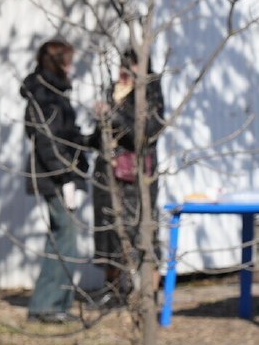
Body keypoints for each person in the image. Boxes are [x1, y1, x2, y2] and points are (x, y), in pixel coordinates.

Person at [19, 37, 91, 323]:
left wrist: (92, 140)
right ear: (57, 62)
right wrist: (65, 177)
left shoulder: (55, 92)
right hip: (56, 177)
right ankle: (47, 307)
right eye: (68, 61)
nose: (72, 66)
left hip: (62, 175)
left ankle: (55, 305)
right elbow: (47, 141)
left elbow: (67, 135)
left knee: (63, 240)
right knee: (64, 241)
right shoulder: (44, 95)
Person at [97, 49, 165, 306]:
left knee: (144, 231)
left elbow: (146, 132)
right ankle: (116, 292)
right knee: (113, 233)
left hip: (138, 174)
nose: (125, 73)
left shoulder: (150, 92)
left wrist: (114, 115)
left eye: (131, 67)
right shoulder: (114, 90)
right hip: (112, 173)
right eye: (123, 67)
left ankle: (148, 294)